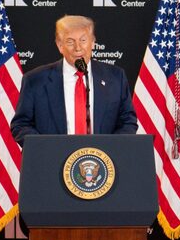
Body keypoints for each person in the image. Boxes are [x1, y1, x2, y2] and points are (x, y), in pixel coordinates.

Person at [10, 15, 138, 146]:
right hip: (54, 156)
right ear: (60, 46)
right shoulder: (35, 80)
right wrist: (47, 148)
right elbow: (21, 125)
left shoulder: (115, 77)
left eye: (83, 40)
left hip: (102, 157)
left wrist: (111, 148)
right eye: (70, 42)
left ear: (93, 42)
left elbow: (127, 121)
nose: (78, 48)